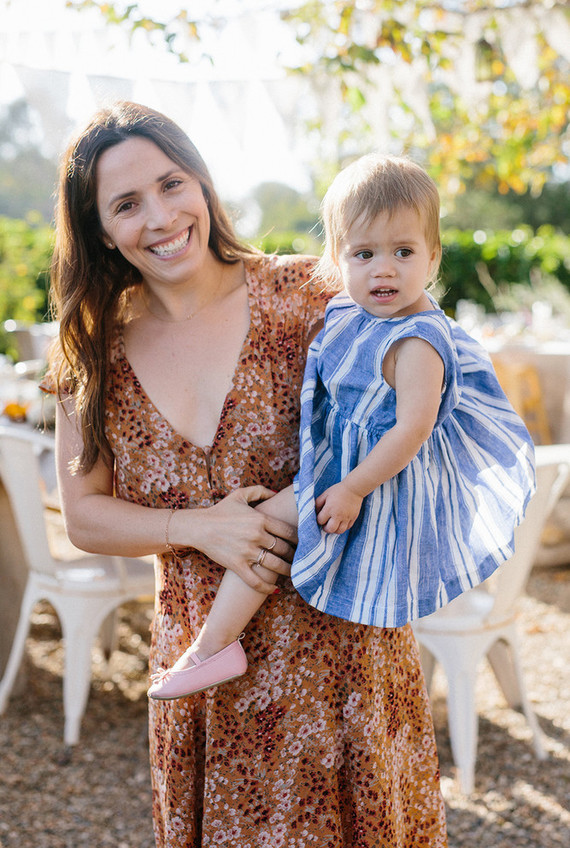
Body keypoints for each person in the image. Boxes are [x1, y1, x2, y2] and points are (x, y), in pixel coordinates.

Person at [46, 103, 449, 848]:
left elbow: (421, 404)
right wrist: (198, 525)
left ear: (202, 182)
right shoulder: (91, 356)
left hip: (343, 672)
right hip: (206, 686)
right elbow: (85, 517)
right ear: (101, 229)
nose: (161, 216)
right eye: (127, 204)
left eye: (172, 184)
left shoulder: (314, 295)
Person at [149, 153, 535, 702]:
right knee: (263, 532)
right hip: (338, 466)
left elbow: (412, 430)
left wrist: (353, 488)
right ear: (337, 259)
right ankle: (215, 647)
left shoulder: (416, 342)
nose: (384, 269)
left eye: (403, 252)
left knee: (265, 530)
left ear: (433, 257)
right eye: (364, 253)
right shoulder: (352, 311)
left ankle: (212, 647)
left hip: (373, 479)